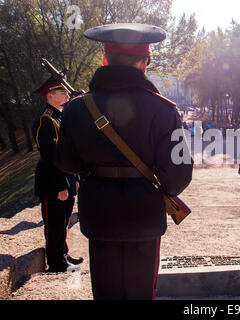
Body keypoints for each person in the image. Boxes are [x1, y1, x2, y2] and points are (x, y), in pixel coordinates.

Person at [54, 23, 193, 300]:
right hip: (144, 213)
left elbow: (66, 161)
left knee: (105, 292)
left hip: (100, 211)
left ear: (104, 59)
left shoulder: (77, 108)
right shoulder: (164, 110)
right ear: (144, 63)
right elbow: (178, 175)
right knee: (141, 292)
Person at [31, 77, 82, 272]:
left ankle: (63, 254)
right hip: (52, 182)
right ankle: (56, 261)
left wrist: (74, 179)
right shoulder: (46, 121)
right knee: (54, 223)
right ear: (50, 96)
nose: (67, 96)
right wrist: (61, 185)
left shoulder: (59, 117)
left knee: (63, 221)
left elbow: (68, 152)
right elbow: (50, 156)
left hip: (66, 178)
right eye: (63, 93)